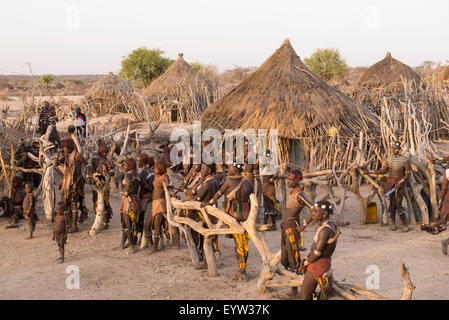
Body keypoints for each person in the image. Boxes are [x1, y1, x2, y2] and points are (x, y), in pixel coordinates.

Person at [204, 162, 253, 281]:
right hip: (247, 215)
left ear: (235, 170)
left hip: (234, 216)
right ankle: (243, 269)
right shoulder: (248, 182)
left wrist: (209, 202)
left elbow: (218, 194)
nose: (228, 169)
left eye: (230, 167)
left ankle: (242, 272)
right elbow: (252, 200)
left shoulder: (229, 181)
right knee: (244, 244)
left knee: (238, 244)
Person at [281, 169, 314, 298]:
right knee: (285, 260)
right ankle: (295, 288)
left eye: (290, 179)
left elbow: (314, 208)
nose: (287, 181)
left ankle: (296, 290)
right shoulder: (293, 192)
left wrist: (304, 225)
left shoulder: (300, 195)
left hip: (292, 229)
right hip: (285, 227)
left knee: (293, 259)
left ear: (297, 181)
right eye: (287, 179)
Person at [366, 140, 411, 232]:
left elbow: (408, 173)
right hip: (390, 183)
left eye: (395, 149)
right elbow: (382, 170)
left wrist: (401, 182)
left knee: (398, 203)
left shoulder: (404, 159)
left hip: (399, 183)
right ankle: (393, 223)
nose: (393, 150)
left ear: (399, 150)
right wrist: (369, 171)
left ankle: (404, 224)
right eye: (392, 148)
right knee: (392, 203)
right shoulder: (389, 159)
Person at [301, 200, 340, 300]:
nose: (312, 214)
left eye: (315, 212)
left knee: (305, 295)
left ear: (324, 213)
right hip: (324, 262)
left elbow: (317, 254)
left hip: (317, 264)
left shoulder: (325, 231)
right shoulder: (331, 225)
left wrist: (306, 262)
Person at [56, 139, 88, 233]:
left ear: (69, 147)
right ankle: (69, 223)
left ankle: (74, 226)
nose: (64, 150)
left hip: (76, 183)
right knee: (66, 202)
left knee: (73, 203)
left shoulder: (77, 155)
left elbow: (87, 164)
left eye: (65, 148)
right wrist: (58, 154)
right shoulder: (66, 156)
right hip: (67, 183)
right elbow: (56, 164)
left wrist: (84, 176)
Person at [89, 144, 115, 230]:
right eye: (103, 152)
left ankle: (105, 222)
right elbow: (91, 170)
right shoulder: (95, 160)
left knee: (105, 202)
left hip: (105, 185)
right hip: (96, 184)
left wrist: (108, 173)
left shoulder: (107, 161)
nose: (104, 154)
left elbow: (112, 171)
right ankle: (99, 220)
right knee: (96, 201)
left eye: (106, 152)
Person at [147, 161, 170, 253]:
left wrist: (172, 193)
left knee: (157, 226)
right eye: (154, 168)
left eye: (156, 168)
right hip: (154, 203)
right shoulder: (156, 176)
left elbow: (168, 188)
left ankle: (155, 247)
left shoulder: (165, 177)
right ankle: (150, 244)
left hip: (160, 203)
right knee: (147, 225)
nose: (154, 170)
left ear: (161, 169)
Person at [119, 158, 141, 253]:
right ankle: (122, 244)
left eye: (125, 165)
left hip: (128, 202)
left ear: (130, 166)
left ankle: (131, 246)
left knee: (127, 225)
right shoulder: (137, 175)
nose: (123, 167)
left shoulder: (128, 175)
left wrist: (126, 193)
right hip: (136, 200)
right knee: (127, 224)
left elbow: (127, 184)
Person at [138, 153, 155, 248]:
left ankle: (148, 243)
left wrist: (138, 198)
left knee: (145, 221)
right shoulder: (150, 171)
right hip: (151, 197)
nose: (137, 162)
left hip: (146, 199)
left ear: (143, 162)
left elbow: (144, 188)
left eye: (138, 160)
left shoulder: (144, 173)